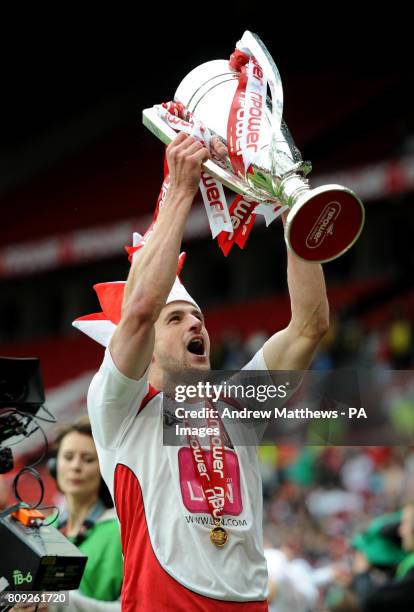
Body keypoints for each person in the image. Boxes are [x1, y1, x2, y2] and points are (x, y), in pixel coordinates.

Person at [81, 132, 329, 610]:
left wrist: (290, 203)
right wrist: (179, 192)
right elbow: (137, 314)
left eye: (198, 318)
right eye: (176, 318)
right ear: (144, 346)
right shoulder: (119, 408)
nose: (196, 323)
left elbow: (309, 327)